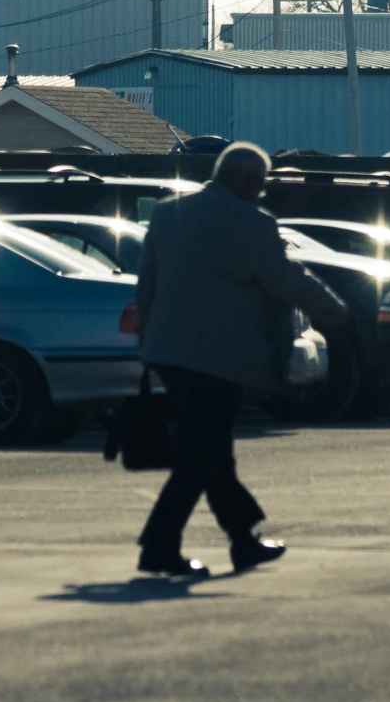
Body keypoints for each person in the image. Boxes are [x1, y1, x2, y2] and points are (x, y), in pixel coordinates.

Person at [131, 141, 349, 580]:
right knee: (200, 455)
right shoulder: (251, 223)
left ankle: (243, 540)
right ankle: (159, 544)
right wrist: (335, 312)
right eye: (261, 184)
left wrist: (147, 340)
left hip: (171, 352)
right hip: (216, 356)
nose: (263, 193)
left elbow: (147, 283)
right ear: (249, 181)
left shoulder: (168, 213)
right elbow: (286, 278)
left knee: (212, 451)